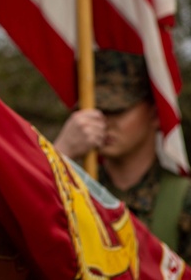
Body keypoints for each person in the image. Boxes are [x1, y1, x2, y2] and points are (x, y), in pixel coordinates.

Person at [53, 49, 191, 258]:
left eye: (116, 110)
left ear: (155, 114)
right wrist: (60, 153)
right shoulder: (73, 190)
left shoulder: (181, 200)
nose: (102, 122)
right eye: (95, 110)